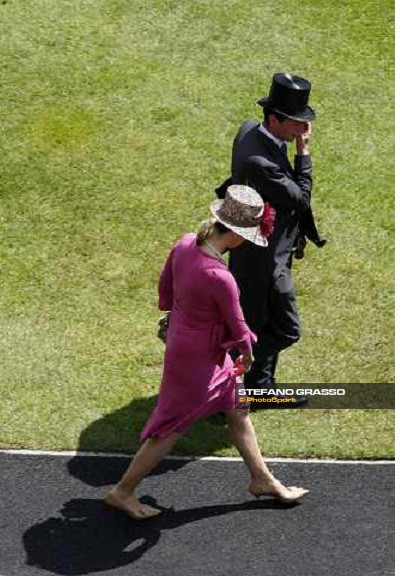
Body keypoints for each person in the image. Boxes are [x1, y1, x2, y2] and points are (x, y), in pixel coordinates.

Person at [104, 185, 309, 519]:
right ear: (238, 236)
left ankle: (262, 478)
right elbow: (240, 327)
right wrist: (247, 355)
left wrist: (175, 317)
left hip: (190, 348)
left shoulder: (186, 243)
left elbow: (165, 286)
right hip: (200, 360)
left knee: (238, 409)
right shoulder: (220, 276)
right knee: (172, 426)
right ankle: (123, 491)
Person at [219, 72, 323, 395]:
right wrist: (303, 155)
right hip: (263, 262)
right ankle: (225, 377)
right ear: (275, 118)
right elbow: (299, 198)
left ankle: (260, 388)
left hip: (259, 252)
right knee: (286, 329)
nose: (302, 130)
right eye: (296, 122)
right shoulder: (261, 161)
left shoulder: (249, 131)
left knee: (259, 322)